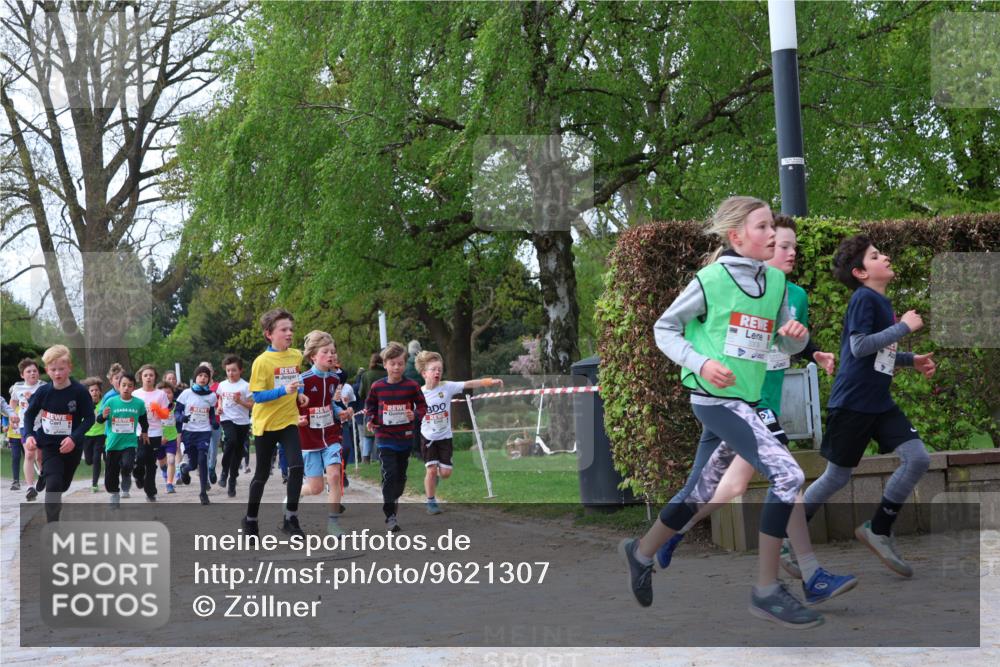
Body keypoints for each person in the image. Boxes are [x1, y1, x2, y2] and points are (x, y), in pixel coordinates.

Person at [619, 196, 855, 629]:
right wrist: (701, 362)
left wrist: (793, 337)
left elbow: (780, 344)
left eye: (772, 227)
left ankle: (642, 551)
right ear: (736, 237)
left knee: (702, 492)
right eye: (763, 227)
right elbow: (664, 328)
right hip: (715, 399)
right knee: (788, 475)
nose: (772, 235)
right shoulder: (711, 280)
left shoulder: (777, 284)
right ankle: (767, 590)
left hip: (746, 401)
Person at [655, 215, 838, 580]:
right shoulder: (725, 286)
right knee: (787, 475)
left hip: (756, 397)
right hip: (737, 401)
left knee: (730, 485)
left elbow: (785, 334)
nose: (787, 252)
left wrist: (810, 350)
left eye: (791, 246)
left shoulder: (790, 292)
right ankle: (809, 569)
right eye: (780, 244)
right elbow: (685, 331)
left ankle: (673, 531)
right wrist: (704, 365)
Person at [800, 235, 936, 578]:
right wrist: (903, 326)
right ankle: (791, 535)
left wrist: (910, 360)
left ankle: (878, 529)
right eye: (876, 255)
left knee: (917, 457)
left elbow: (876, 354)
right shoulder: (864, 299)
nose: (886, 257)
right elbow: (859, 347)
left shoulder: (878, 301)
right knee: (836, 476)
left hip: (879, 404)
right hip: (854, 403)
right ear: (861, 272)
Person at [242, 308, 309, 538]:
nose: (289, 333)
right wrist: (284, 390)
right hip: (266, 424)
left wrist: (299, 394)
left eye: (291, 329)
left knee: (297, 467)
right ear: (269, 334)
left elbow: (295, 382)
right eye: (284, 329)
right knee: (261, 474)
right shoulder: (261, 362)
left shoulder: (296, 355)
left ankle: (291, 517)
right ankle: (250, 519)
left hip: (288, 420)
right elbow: (257, 396)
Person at [415, 350, 502, 515]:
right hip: (428, 437)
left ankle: (435, 480)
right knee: (431, 469)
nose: (437, 372)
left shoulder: (447, 387)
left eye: (440, 369)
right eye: (433, 369)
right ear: (424, 373)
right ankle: (431, 501)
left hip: (445, 437)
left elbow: (468, 383)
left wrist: (489, 381)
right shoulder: (418, 393)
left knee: (445, 473)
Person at [21, 345, 95, 522]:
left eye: (61, 369)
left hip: (72, 447)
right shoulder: (43, 392)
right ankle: (52, 525)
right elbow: (29, 414)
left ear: (69, 367)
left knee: (62, 485)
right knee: (54, 485)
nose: (57, 373)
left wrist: (73, 438)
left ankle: (49, 482)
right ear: (46, 370)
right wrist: (30, 434)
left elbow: (90, 419)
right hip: (49, 446)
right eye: (53, 370)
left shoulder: (79, 392)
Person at [365, 341, 426, 533]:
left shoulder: (411, 386)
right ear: (385, 365)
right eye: (393, 363)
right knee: (389, 474)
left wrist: (414, 415)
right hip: (384, 437)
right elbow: (370, 406)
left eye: (400, 363)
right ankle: (390, 516)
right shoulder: (377, 386)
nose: (397, 367)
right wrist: (370, 419)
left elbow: (423, 407)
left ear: (404, 363)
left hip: (405, 437)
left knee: (399, 477)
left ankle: (394, 494)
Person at [298, 331, 353, 536]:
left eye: (333, 351)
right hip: (309, 438)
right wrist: (296, 419)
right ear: (313, 356)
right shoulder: (303, 380)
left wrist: (341, 412)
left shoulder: (333, 379)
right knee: (316, 488)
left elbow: (330, 403)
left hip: (330, 434)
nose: (331, 356)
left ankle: (333, 524)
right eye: (325, 352)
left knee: (335, 476)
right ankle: (294, 494)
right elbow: (290, 407)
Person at [96, 373, 148, 509]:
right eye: (123, 385)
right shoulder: (111, 402)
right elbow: (99, 419)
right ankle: (114, 494)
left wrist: (144, 432)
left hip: (129, 443)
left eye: (129, 386)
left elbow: (143, 419)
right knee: (111, 473)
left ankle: (126, 475)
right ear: (118, 386)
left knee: (127, 464)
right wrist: (103, 416)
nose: (126, 388)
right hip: (113, 444)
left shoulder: (138, 403)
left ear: (133, 388)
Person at [176, 365, 220, 505]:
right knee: (193, 464)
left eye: (206, 376)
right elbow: (177, 412)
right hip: (189, 432)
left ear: (209, 379)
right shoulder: (186, 393)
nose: (203, 378)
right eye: (200, 375)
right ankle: (185, 469)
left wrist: (213, 422)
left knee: (202, 459)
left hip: (204, 431)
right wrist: (181, 418)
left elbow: (211, 412)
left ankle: (203, 493)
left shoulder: (212, 396)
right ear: (195, 377)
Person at [132, 364, 171, 502]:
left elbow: (166, 415)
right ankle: (138, 474)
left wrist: (158, 411)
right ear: (140, 378)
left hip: (156, 432)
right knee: (141, 456)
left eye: (151, 375)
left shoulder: (160, 394)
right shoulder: (135, 394)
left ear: (155, 378)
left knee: (151, 463)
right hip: (140, 432)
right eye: (145, 375)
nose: (148, 377)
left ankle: (150, 492)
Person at [9, 357, 46, 499]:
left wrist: (35, 399)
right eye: (29, 371)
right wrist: (12, 415)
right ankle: (30, 487)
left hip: (42, 425)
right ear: (22, 375)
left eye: (35, 371)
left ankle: (43, 476)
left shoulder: (43, 386)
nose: (32, 373)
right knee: (30, 453)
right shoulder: (18, 387)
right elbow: (13, 401)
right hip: (25, 425)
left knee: (40, 456)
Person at [217, 354, 254, 497]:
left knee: (238, 452)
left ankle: (232, 479)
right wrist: (219, 407)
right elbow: (220, 398)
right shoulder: (222, 385)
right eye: (228, 371)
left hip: (242, 422)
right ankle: (224, 472)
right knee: (230, 441)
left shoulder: (246, 386)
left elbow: (252, 405)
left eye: (233, 370)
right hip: (226, 418)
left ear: (240, 370)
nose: (230, 373)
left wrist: (241, 402)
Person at [357, 353, 387, 463]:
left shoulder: (366, 375)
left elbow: (361, 393)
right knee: (382, 433)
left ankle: (366, 459)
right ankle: (381, 458)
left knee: (368, 434)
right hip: (384, 406)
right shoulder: (386, 374)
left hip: (370, 406)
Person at [81, 377, 107, 492]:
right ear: (88, 392)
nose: (94, 392)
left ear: (100, 391)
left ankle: (94, 484)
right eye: (92, 391)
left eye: (96, 390)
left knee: (97, 458)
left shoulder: (104, 403)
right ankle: (95, 481)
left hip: (101, 435)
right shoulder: (84, 404)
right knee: (88, 461)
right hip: (87, 435)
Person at [158, 381, 181, 493]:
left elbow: (180, 417)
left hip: (172, 437)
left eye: (169, 392)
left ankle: (169, 484)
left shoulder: (176, 406)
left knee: (171, 460)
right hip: (158, 438)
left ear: (173, 394)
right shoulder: (155, 407)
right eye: (163, 393)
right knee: (162, 462)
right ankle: (164, 471)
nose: (166, 395)